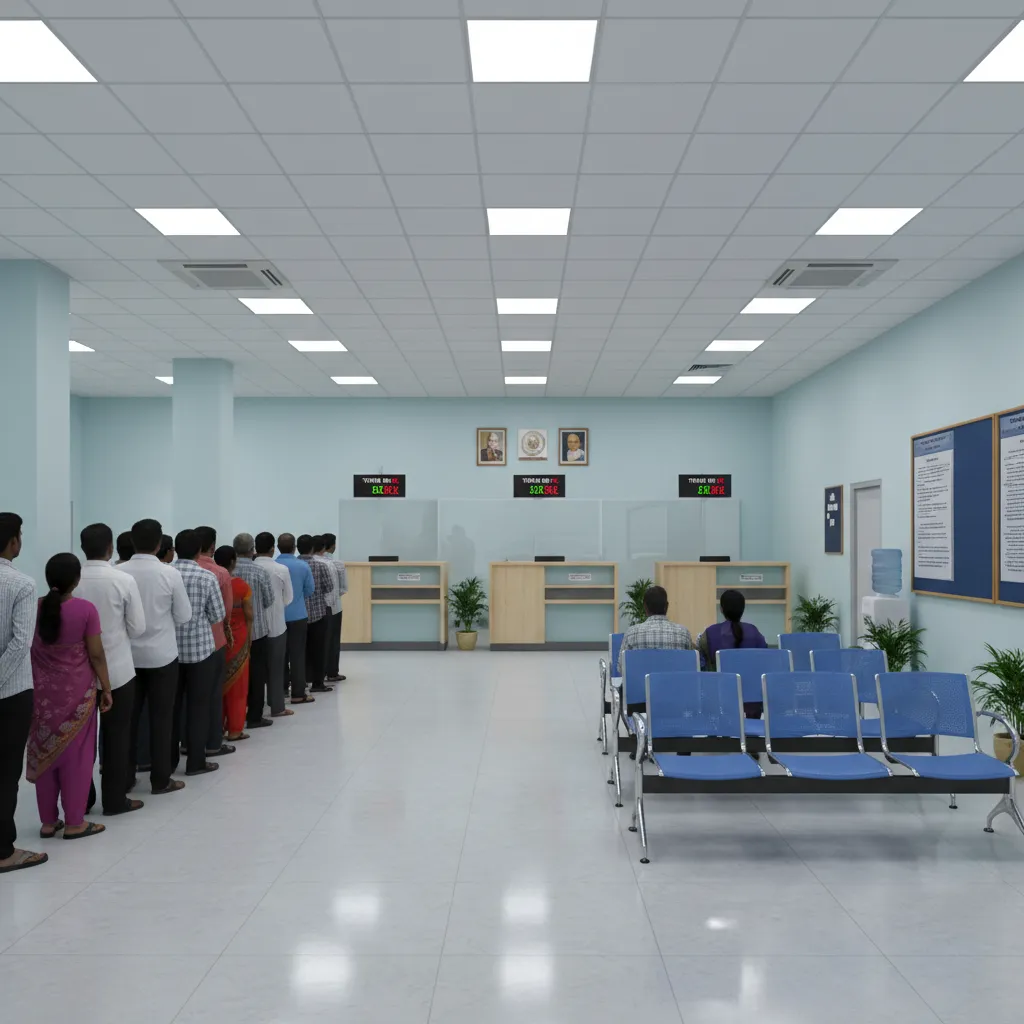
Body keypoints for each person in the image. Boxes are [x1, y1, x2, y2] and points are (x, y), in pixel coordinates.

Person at [27, 553, 113, 841]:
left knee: (45, 755)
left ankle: (48, 822)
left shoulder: (34, 608)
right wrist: (107, 688)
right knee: (77, 758)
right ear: (76, 580)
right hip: (78, 696)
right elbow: (97, 654)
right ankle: (75, 821)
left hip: (41, 698)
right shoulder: (85, 610)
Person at [76, 523, 146, 816]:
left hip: (79, 674)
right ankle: (115, 800)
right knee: (117, 736)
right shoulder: (123, 579)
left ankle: (82, 800)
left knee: (80, 741)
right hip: (118, 670)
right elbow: (138, 627)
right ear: (110, 548)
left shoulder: (73, 578)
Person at [118, 519, 189, 796]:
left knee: (128, 721)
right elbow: (184, 616)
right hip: (162, 656)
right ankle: (161, 779)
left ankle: (125, 777)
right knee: (162, 719)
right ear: (160, 544)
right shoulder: (169, 574)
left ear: (132, 542)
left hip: (127, 659)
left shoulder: (119, 572)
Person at [0, 513, 45, 873]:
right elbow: (20, 644)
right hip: (10, 694)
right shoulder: (22, 584)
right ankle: (3, 851)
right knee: (4, 773)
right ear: (14, 541)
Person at [172, 529, 226, 776]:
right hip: (200, 652)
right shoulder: (206, 577)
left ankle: (168, 762)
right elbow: (217, 615)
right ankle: (196, 761)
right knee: (199, 706)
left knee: (171, 708)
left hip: (170, 652)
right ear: (199, 550)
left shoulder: (167, 574)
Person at [698, 589, 768, 720]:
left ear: (721, 609)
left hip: (719, 698)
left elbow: (703, 667)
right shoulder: (754, 632)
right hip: (752, 700)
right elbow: (764, 662)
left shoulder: (710, 633)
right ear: (743, 609)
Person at [195, 526, 234, 759]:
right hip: (213, 640)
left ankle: (187, 743)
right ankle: (212, 743)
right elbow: (224, 612)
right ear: (212, 546)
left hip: (179, 644)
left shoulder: (172, 571)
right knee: (211, 694)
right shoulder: (219, 573)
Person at [232, 533, 274, 730]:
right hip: (257, 630)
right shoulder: (259, 571)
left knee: (234, 674)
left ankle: (233, 716)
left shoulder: (227, 570)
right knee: (257, 674)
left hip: (232, 632)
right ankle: (255, 716)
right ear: (252, 549)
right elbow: (268, 600)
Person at [214, 546, 253, 742]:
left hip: (217, 638)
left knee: (217, 685)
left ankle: (216, 728)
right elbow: (249, 615)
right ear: (232, 562)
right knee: (238, 686)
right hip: (238, 637)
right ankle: (235, 729)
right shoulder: (240, 586)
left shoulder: (212, 581)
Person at [255, 532, 293, 719]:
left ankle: (253, 708)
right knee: (276, 667)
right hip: (277, 624)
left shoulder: (247, 568)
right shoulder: (281, 569)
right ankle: (277, 706)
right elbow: (289, 598)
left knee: (255, 670)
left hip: (253, 628)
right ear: (273, 548)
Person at [617, 585, 693, 677]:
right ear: (667, 606)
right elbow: (690, 669)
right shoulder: (684, 634)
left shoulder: (631, 634)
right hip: (675, 690)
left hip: (639, 690)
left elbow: (621, 669)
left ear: (645, 607)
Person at [277, 533, 315, 706]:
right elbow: (310, 590)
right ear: (294, 548)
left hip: (277, 617)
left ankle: (282, 689)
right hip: (298, 615)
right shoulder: (302, 566)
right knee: (298, 655)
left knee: (279, 655)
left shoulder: (273, 565)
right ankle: (298, 693)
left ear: (277, 547)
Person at [300, 535, 334, 694]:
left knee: (300, 649)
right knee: (318, 648)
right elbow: (329, 587)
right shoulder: (321, 566)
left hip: (298, 614)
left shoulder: (291, 565)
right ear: (313, 549)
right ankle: (317, 682)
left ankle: (302, 679)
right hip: (319, 612)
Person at [322, 533, 347, 683]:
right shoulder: (337, 564)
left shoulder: (311, 562)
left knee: (316, 641)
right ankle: (332, 672)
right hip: (334, 606)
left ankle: (316, 673)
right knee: (332, 640)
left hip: (313, 608)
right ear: (333, 546)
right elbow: (343, 588)